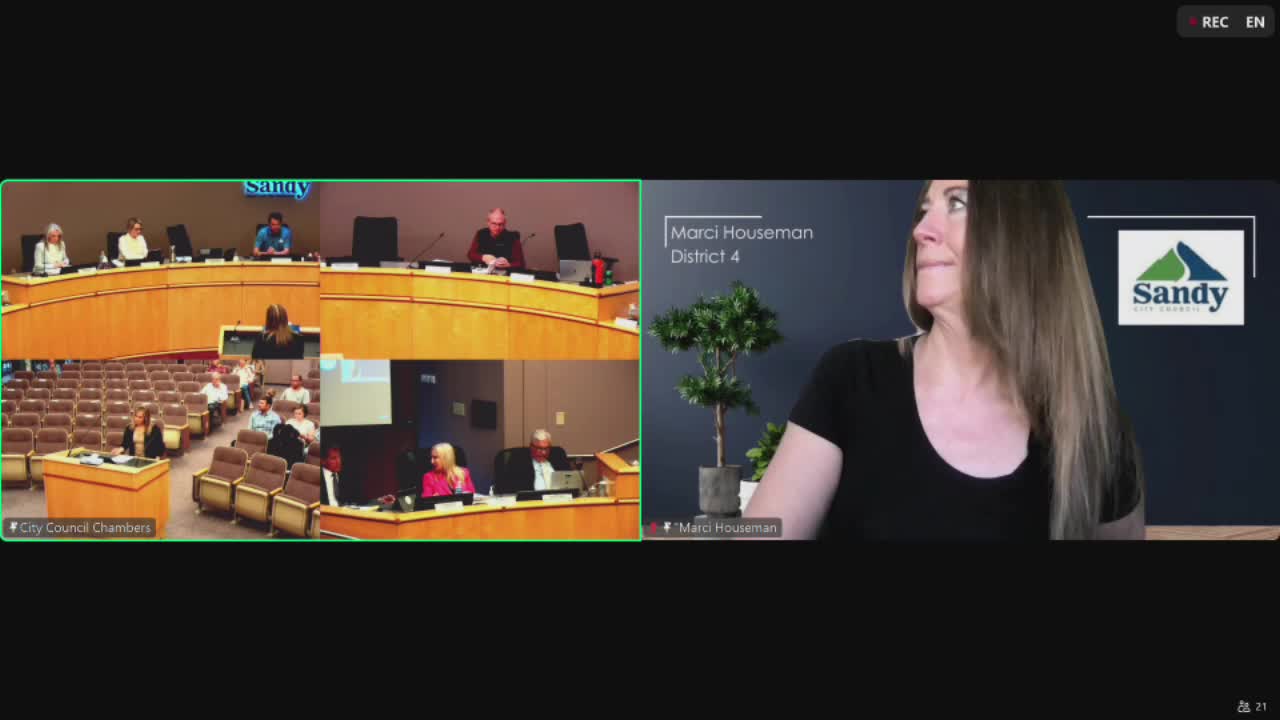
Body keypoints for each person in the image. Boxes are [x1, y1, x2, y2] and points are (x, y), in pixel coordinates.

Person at [744, 180, 1145, 540]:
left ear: (1024, 235)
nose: (921, 230)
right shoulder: (851, 379)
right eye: (924, 210)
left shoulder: (1093, 429)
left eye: (957, 203)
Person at [497, 429, 570, 493]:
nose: (543, 452)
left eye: (546, 448)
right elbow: (509, 488)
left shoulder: (558, 456)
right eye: (539, 448)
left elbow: (569, 481)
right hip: (532, 501)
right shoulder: (519, 461)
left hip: (559, 499)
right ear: (531, 447)